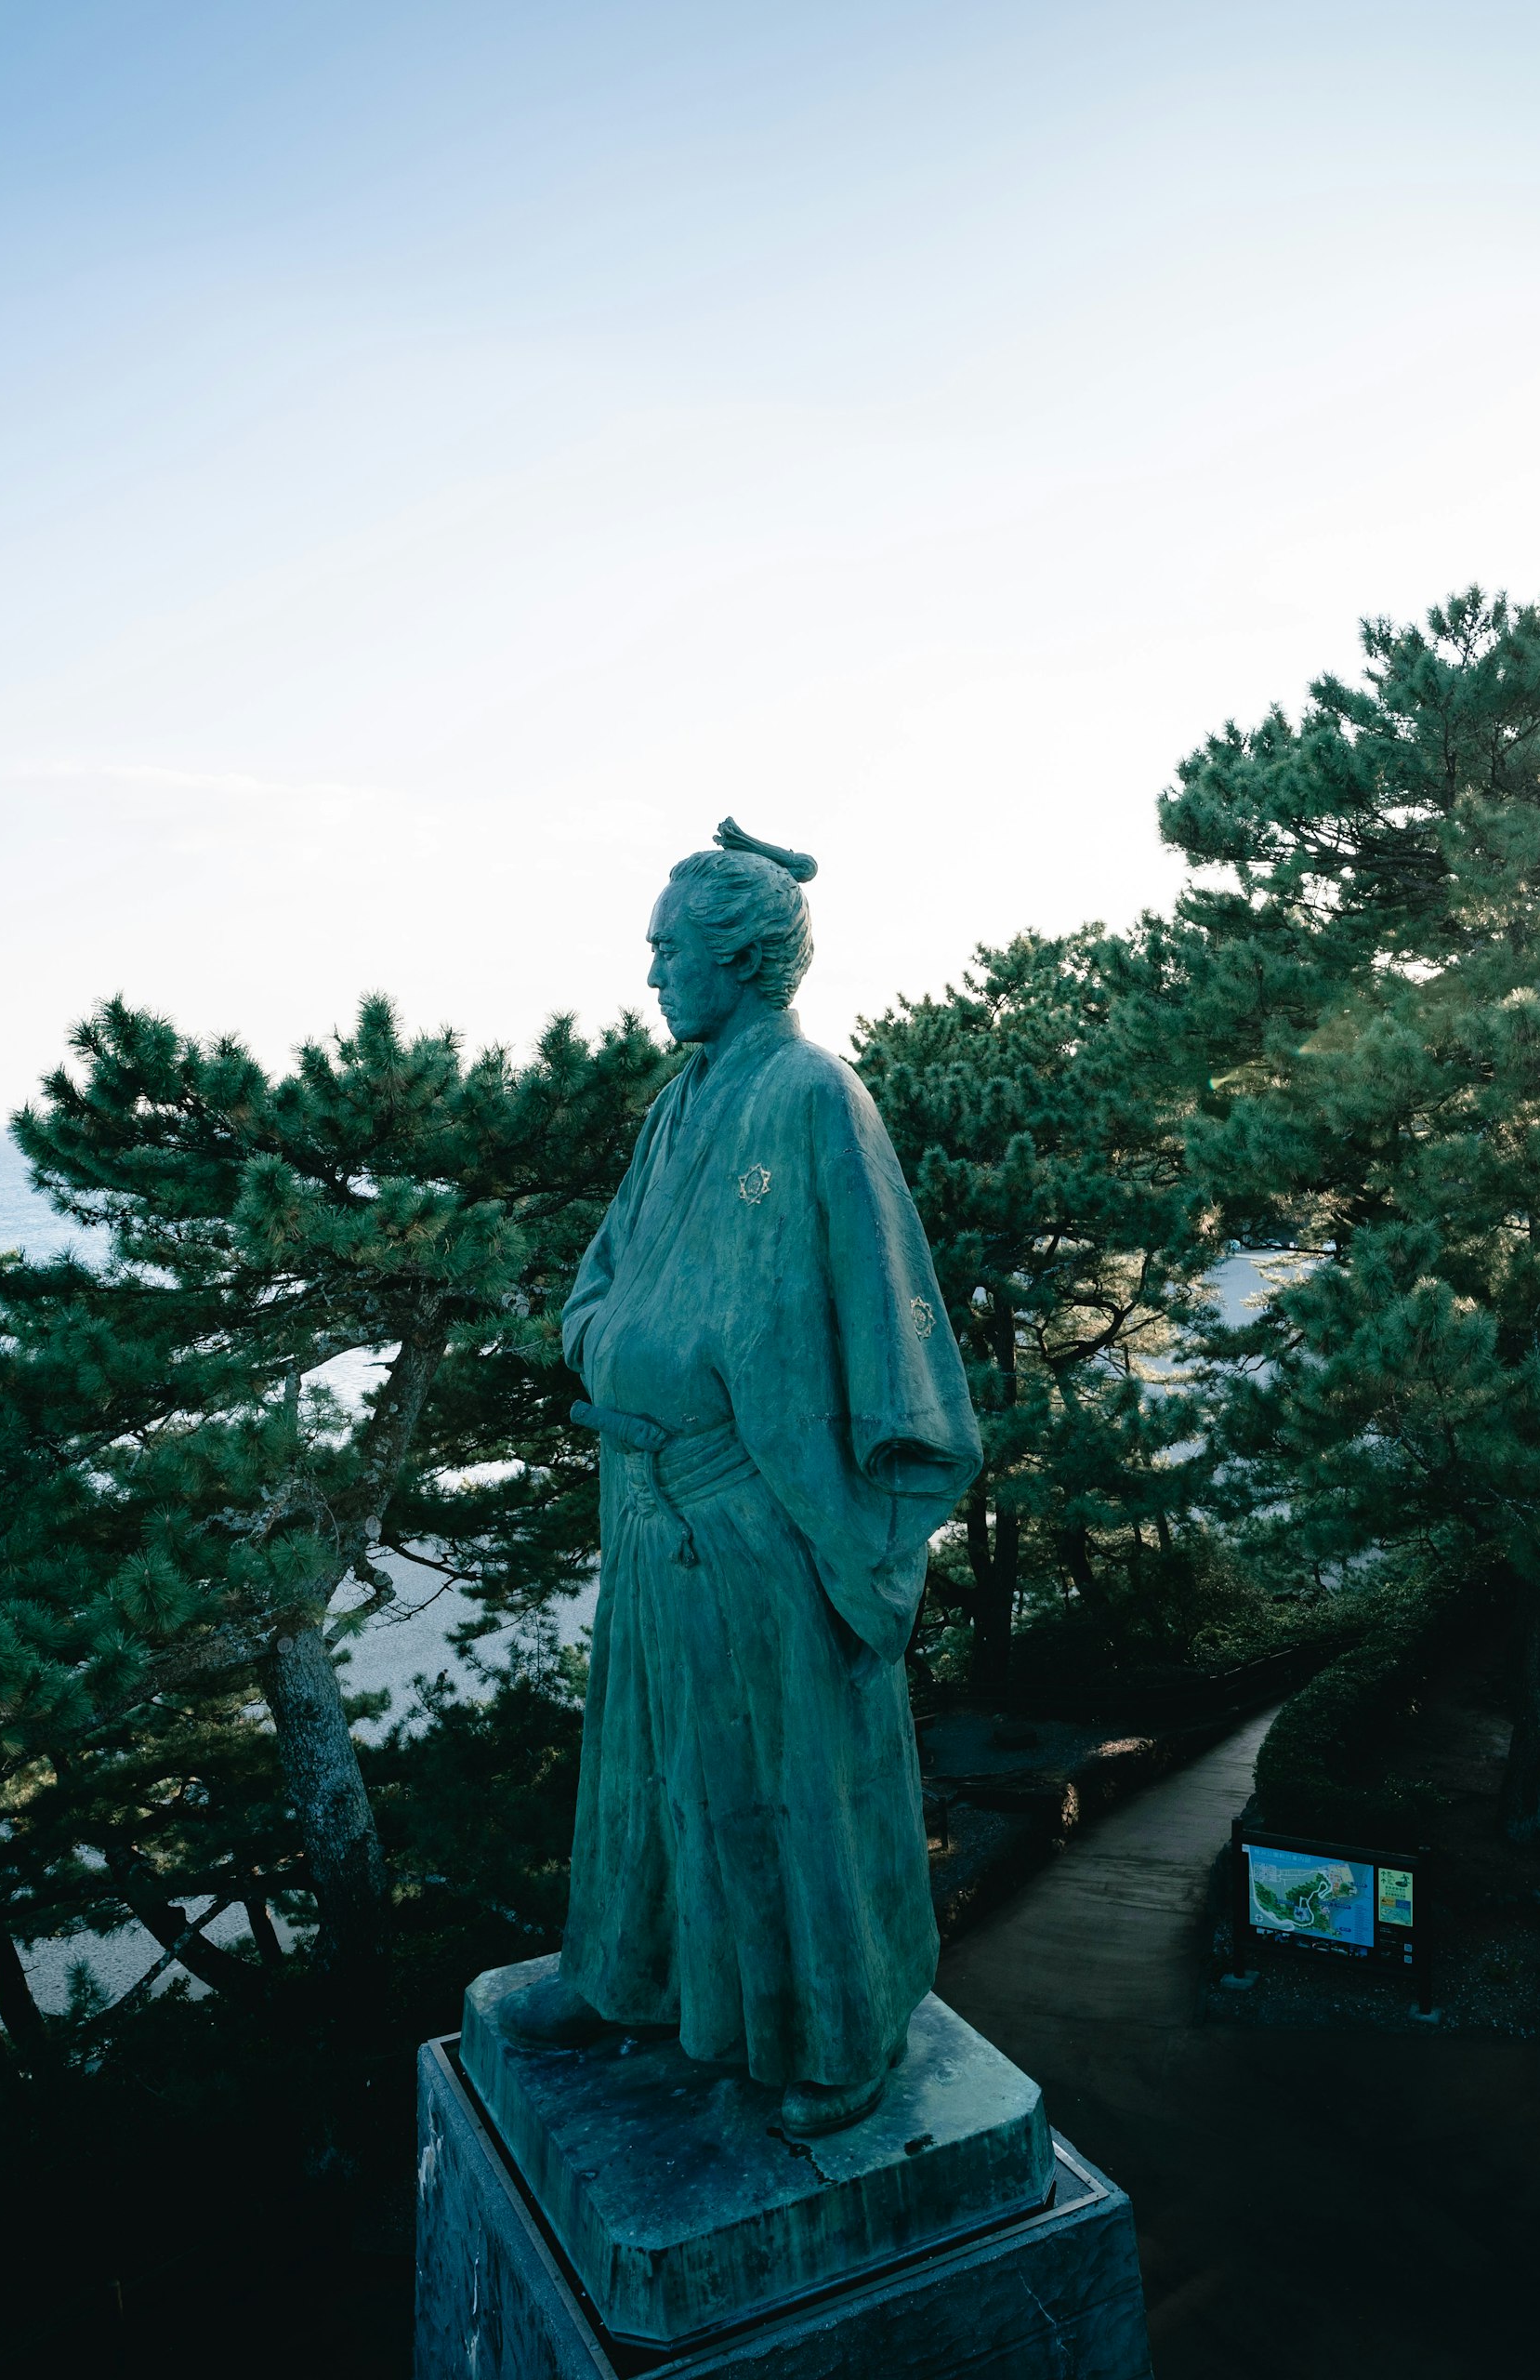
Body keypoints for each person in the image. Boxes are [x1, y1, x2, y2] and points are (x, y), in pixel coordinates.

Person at [490, 819, 983, 2139]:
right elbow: (599, 1282)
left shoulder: (816, 1098)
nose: (649, 973)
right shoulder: (678, 1106)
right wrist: (614, 1340)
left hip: (757, 1510)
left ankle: (838, 2034)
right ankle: (630, 1977)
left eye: (667, 950)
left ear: (742, 956)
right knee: (652, 1765)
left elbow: (888, 1314)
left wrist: (867, 1519)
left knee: (791, 1776)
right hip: (649, 1507)